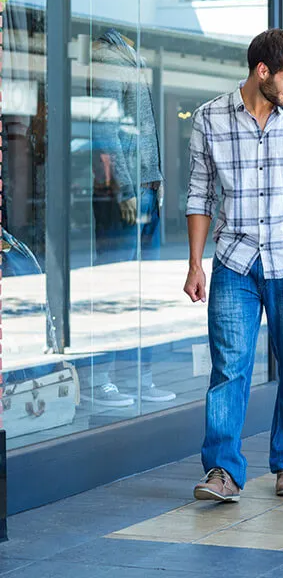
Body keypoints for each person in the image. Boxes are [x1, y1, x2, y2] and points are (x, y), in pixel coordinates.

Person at [184, 29, 283, 502]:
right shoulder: (210, 118)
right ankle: (223, 472)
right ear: (262, 72)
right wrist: (195, 264)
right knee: (229, 369)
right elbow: (199, 195)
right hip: (234, 261)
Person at [90, 28, 174, 406]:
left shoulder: (129, 53)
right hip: (129, 192)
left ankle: (137, 376)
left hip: (147, 190)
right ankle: (101, 380)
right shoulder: (108, 57)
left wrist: (155, 185)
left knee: (142, 293)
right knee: (117, 289)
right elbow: (105, 127)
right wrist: (123, 188)